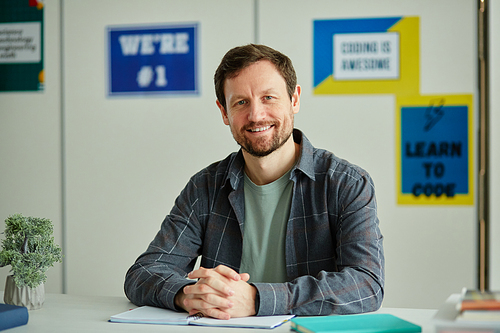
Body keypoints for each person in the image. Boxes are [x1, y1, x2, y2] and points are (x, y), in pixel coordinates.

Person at [124, 44, 384, 320]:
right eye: (240, 102)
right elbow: (144, 273)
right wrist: (190, 294)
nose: (256, 115)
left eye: (269, 97)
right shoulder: (205, 187)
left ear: (294, 99)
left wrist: (257, 299)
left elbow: (366, 284)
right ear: (224, 112)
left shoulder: (347, 183)